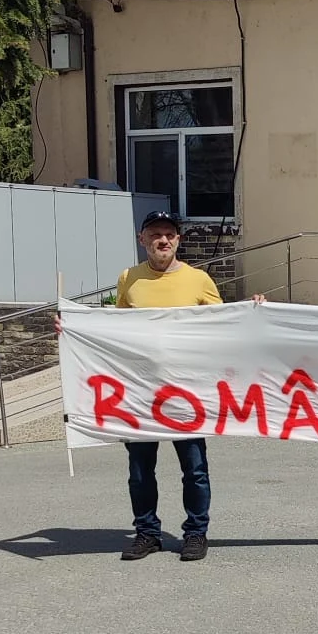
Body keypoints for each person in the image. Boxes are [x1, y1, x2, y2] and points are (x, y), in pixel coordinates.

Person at [114, 212, 223, 563]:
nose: (163, 240)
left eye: (169, 234)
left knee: (194, 467)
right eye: (155, 234)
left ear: (178, 240)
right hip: (140, 392)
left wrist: (256, 311)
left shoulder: (199, 279)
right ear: (141, 239)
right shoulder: (128, 279)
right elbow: (115, 329)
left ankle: (195, 533)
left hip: (185, 393)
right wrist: (72, 329)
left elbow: (226, 326)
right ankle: (147, 533)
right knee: (140, 469)